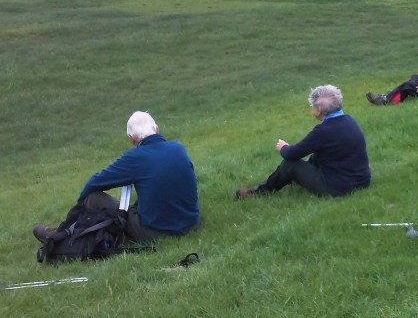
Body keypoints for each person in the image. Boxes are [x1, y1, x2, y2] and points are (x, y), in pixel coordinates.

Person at [32, 111, 200, 243]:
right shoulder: (178, 148)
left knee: (93, 198)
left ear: (131, 139)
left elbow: (94, 183)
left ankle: (61, 233)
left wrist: (77, 208)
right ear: (157, 129)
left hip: (155, 232)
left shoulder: (135, 158)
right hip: (192, 224)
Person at [236, 85, 371, 199]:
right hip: (362, 182)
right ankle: (295, 179)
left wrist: (283, 147)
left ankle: (260, 192)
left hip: (337, 188)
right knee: (318, 155)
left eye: (312, 107)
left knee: (290, 165)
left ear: (318, 111)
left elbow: (292, 154)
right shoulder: (349, 120)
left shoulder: (323, 131)